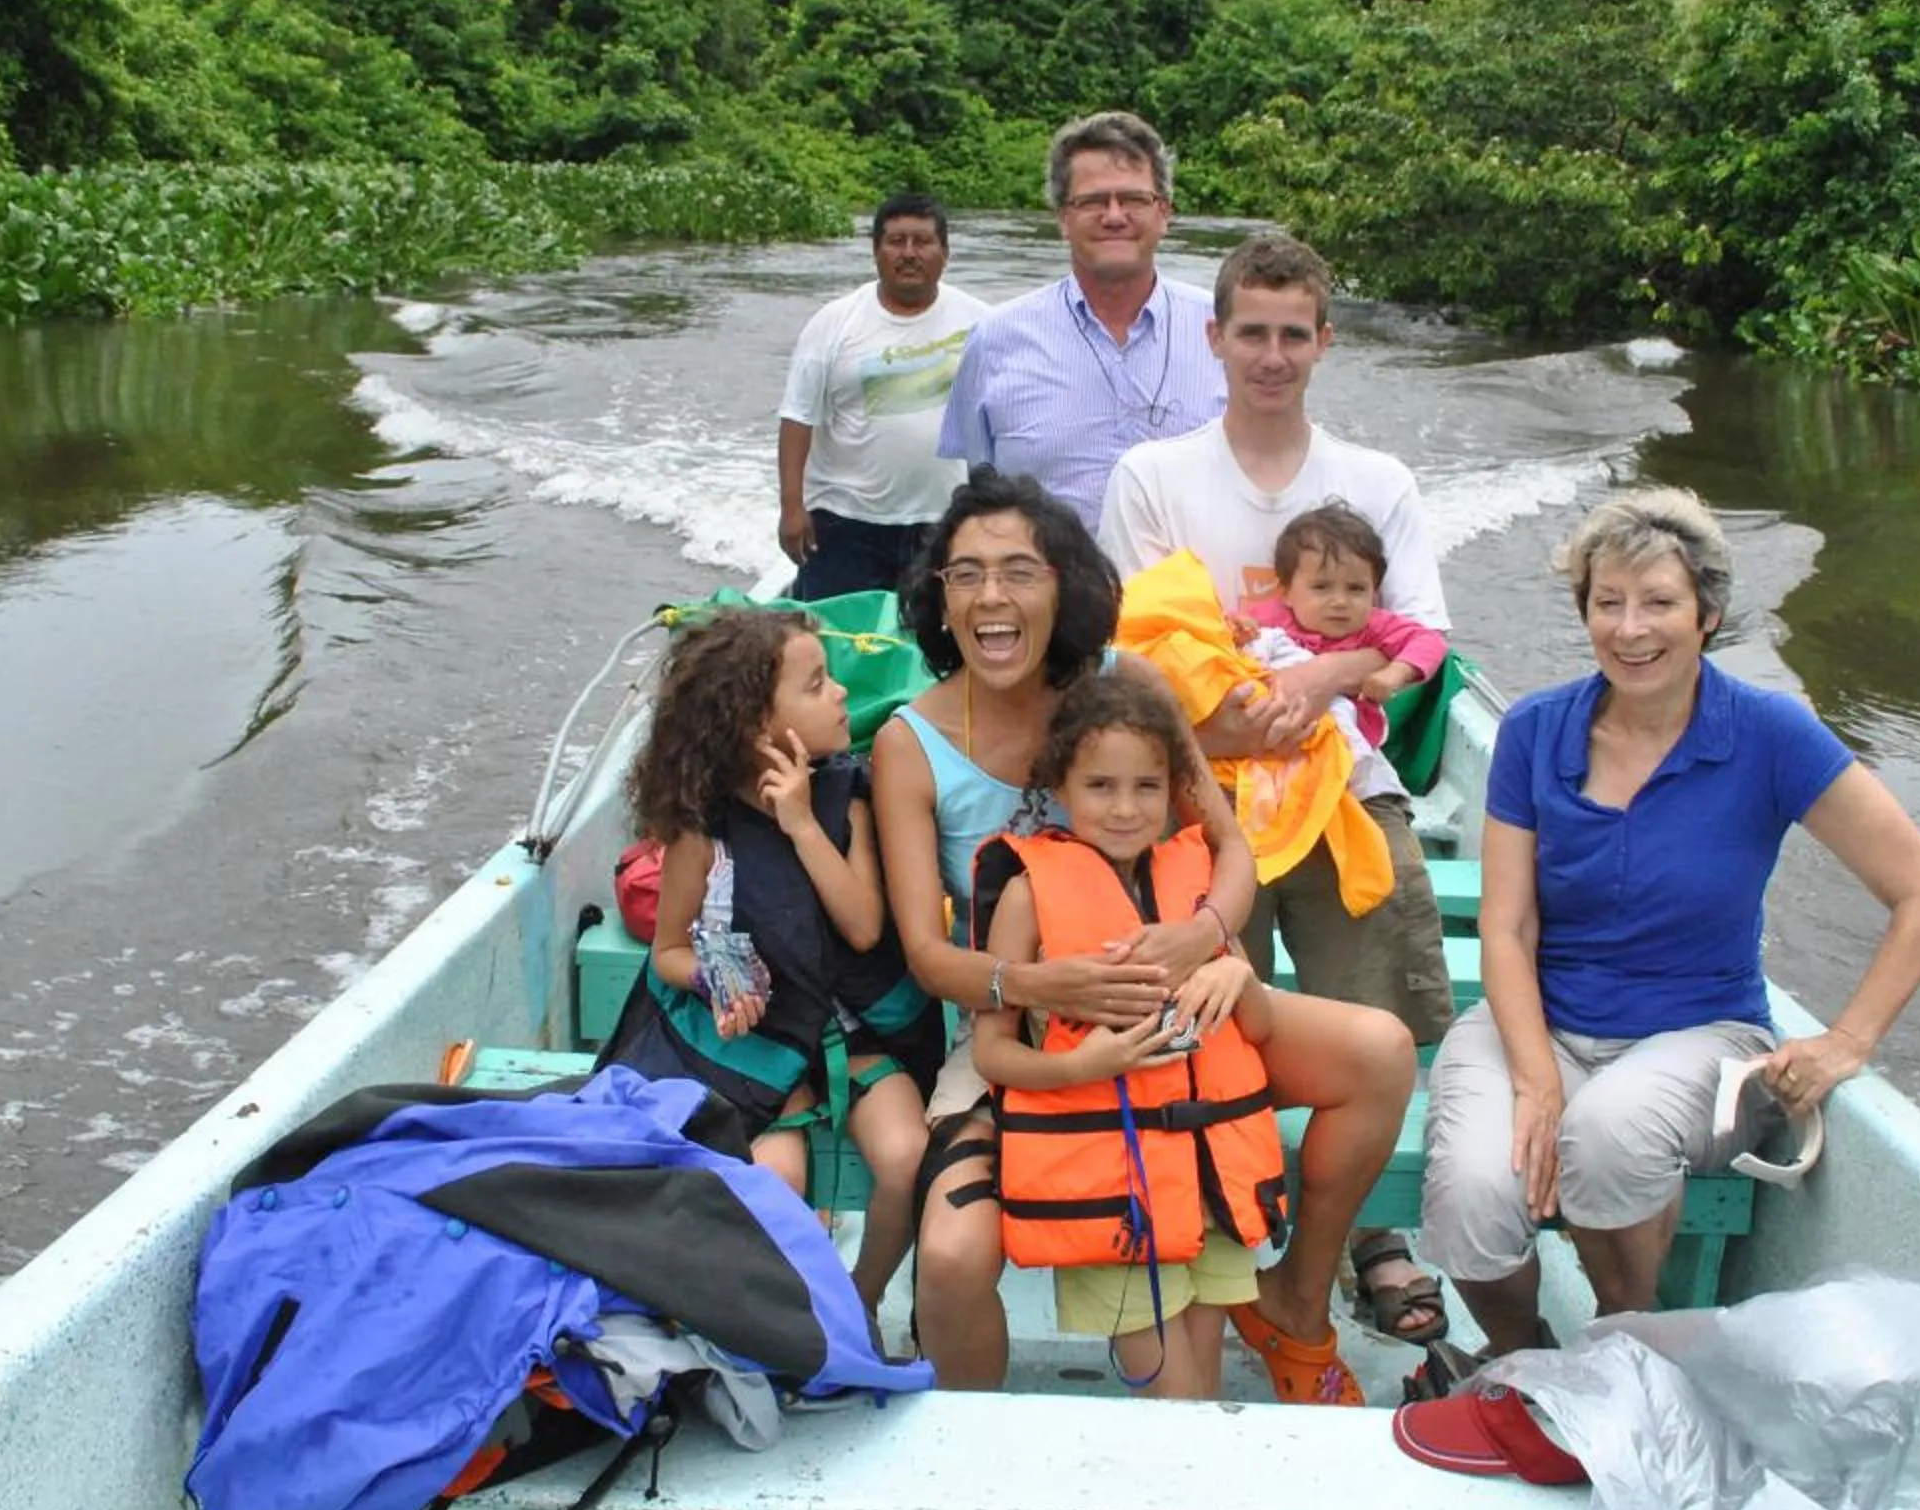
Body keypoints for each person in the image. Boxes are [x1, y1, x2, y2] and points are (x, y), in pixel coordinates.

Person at [871, 466, 1414, 1405]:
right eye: (964, 575)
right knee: (955, 1256)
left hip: (1190, 1004)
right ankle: (962, 1449)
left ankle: (1292, 1298)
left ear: (1065, 585)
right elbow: (928, 953)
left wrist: (1200, 937)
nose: (990, 597)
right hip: (1033, 1036)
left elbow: (1232, 852)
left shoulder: (1132, 685)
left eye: (1018, 571)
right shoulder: (910, 743)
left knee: (1381, 1054)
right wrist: (1049, 988)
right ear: (938, 599)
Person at [1420, 487, 1920, 1348]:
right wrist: (1534, 1078)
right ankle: (1520, 1353)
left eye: (1660, 602)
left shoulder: (1769, 732)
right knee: (1475, 1190)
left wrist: (1847, 1041)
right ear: (1585, 611)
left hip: (1703, 1034)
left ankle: (1623, 1338)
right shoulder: (1533, 730)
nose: (1631, 629)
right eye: (1609, 603)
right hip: (1539, 1023)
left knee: (1608, 1135)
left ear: (1706, 613)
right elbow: (1507, 928)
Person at [1098, 232, 1458, 1344]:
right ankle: (1217, 1218)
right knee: (1202, 1016)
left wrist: (1326, 672)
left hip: (1347, 783)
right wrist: (1222, 722)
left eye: (1292, 333)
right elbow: (1130, 652)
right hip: (1199, 789)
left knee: (1371, 1021)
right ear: (1213, 337)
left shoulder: (1376, 483)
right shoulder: (1154, 477)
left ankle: (1360, 1244)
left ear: (1324, 342)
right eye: (1249, 330)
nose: (1271, 353)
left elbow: (1427, 635)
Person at [594, 606, 939, 1314]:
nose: (841, 693)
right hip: (762, 1038)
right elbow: (667, 951)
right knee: (775, 1173)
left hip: (853, 1030)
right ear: (757, 726)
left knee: (906, 1157)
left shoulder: (849, 798)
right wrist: (713, 977)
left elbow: (865, 927)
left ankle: (860, 1303)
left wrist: (805, 824)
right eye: (817, 685)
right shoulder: (702, 829)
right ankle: (783, 1312)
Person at [970, 675, 1285, 1399]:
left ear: (1175, 787)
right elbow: (994, 1052)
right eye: (1100, 785)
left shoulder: (1196, 884)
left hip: (1209, 1184)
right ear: (1061, 784)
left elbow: (1258, 1030)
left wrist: (1238, 979)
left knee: (1201, 1386)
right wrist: (1090, 1061)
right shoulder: (1027, 892)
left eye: (1147, 787)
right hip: (1115, 1196)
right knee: (1175, 1402)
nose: (1124, 808)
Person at [936, 113, 1227, 528]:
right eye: (1092, 201)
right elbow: (981, 492)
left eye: (1133, 200)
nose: (1113, 216)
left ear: (1164, 212)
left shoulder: (1226, 331)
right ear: (1062, 219)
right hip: (1051, 587)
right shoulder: (996, 339)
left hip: (1192, 588)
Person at [778, 194, 990, 599]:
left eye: (922, 241)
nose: (909, 253)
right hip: (844, 520)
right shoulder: (834, 322)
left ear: (945, 252)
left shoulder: (981, 321)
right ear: (876, 251)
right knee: (841, 642)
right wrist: (791, 508)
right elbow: (797, 418)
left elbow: (1002, 417)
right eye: (896, 241)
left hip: (944, 518)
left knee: (934, 647)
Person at [1238, 503, 1448, 752]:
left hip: (1349, 743)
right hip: (1277, 734)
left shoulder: (1375, 625)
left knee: (1372, 776)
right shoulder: (1271, 616)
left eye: (1356, 589)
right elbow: (1219, 632)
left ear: (1374, 591)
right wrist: (1238, 626)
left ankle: (1377, 792)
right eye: (1321, 587)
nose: (1340, 601)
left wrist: (1395, 673)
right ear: (1287, 593)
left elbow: (1430, 642)